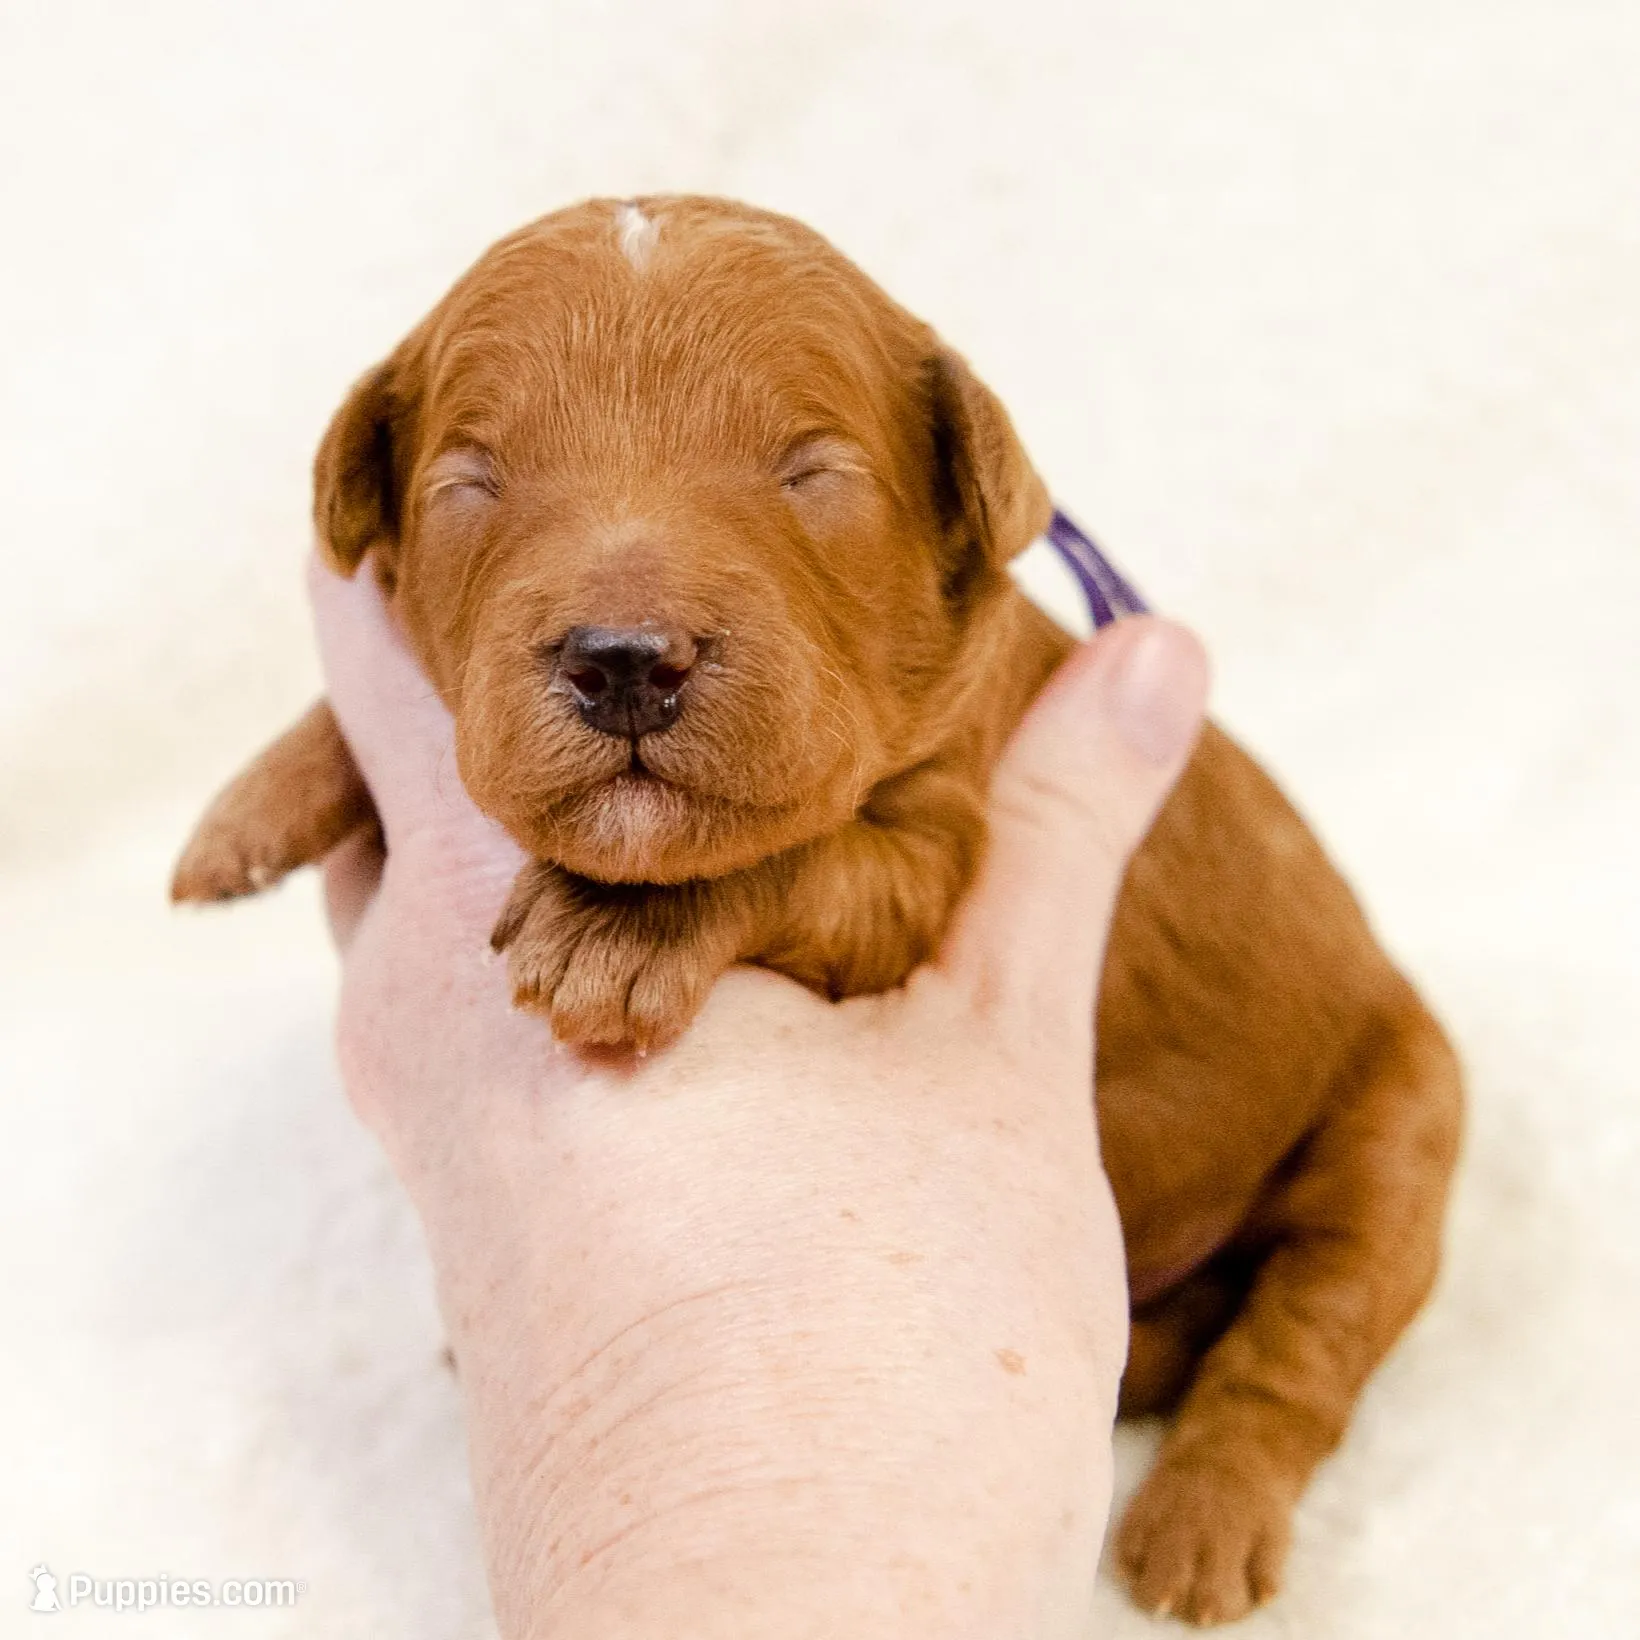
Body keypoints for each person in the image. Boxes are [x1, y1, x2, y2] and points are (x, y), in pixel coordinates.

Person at [313, 554, 1208, 1639]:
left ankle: (1262, 1402)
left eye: (806, 473)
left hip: (1280, 1163)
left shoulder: (918, 672)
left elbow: (905, 869)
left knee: (1375, 1167)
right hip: (1060, 1269)